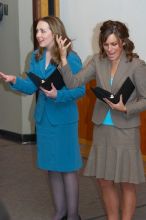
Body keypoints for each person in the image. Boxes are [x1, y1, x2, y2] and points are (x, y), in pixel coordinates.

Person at [54, 20, 146, 220]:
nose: (110, 49)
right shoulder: (97, 61)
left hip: (126, 130)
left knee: (127, 182)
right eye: (106, 44)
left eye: (114, 44)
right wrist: (63, 59)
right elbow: (73, 82)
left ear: (123, 42)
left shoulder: (136, 65)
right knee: (104, 181)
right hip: (102, 129)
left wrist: (126, 107)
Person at [0, 16, 85, 220]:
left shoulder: (70, 58)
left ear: (55, 33)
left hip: (64, 120)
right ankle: (60, 212)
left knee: (67, 168)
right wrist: (14, 81)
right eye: (37, 31)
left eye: (43, 31)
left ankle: (73, 215)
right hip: (44, 120)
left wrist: (58, 95)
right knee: (52, 168)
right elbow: (31, 87)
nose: (38, 35)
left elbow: (80, 90)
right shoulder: (35, 57)